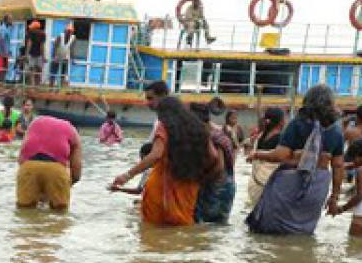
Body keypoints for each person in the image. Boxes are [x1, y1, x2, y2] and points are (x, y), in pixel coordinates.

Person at [246, 84, 344, 235]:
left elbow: (280, 155)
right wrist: (334, 197)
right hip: (317, 187)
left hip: (290, 184)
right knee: (303, 233)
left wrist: (257, 154)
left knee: (271, 233)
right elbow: (338, 166)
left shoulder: (298, 124)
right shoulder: (336, 131)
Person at [110, 96, 222, 227]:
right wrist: (203, 178)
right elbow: (214, 157)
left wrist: (128, 175)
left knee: (152, 233)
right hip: (188, 187)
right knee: (182, 230)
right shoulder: (198, 127)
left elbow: (156, 154)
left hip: (161, 187)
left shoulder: (164, 126)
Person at [16, 114, 82, 209]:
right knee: (59, 213)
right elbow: (76, 171)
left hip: (28, 166)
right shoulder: (72, 131)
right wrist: (68, 184)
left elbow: (21, 157)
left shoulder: (35, 122)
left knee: (25, 211)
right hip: (56, 170)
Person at [192, 102, 236, 224]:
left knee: (204, 226)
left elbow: (219, 166)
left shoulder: (212, 137)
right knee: (217, 229)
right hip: (227, 186)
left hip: (216, 188)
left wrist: (202, 181)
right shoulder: (220, 134)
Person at [245, 106, 286, 210]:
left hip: (255, 184)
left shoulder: (259, 137)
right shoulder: (282, 139)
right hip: (270, 185)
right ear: (281, 122)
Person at [26, 21, 47, 85]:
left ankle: (32, 86)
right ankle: (37, 85)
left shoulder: (31, 33)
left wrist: (26, 54)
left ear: (35, 27)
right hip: (39, 54)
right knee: (39, 70)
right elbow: (42, 46)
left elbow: (29, 43)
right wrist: (43, 57)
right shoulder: (43, 34)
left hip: (31, 54)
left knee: (31, 70)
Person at [0, 15, 13, 82]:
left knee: (5, 69)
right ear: (6, 20)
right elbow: (1, 40)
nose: (11, 21)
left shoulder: (7, 28)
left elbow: (7, 41)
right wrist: (4, 52)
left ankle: (2, 83)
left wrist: (9, 51)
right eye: (10, 19)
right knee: (1, 69)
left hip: (5, 52)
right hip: (2, 53)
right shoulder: (2, 29)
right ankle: (0, 84)